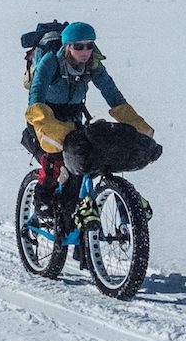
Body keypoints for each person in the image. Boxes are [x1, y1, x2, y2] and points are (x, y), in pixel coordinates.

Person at [23, 21, 154, 228]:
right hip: (45, 116)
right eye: (79, 46)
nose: (85, 51)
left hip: (74, 119)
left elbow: (112, 94)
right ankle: (43, 203)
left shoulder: (93, 65)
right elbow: (36, 94)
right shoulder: (51, 62)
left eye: (89, 45)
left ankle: (81, 224)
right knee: (55, 158)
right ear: (67, 46)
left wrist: (136, 124)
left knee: (91, 157)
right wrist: (44, 122)